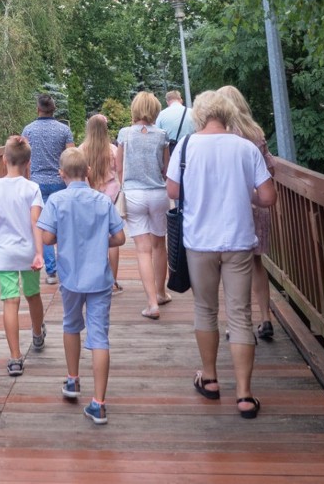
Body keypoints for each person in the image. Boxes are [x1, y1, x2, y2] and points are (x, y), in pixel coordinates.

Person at [166, 90, 277, 419]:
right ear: (228, 114)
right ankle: (244, 395)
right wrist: (245, 194)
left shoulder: (186, 146)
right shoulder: (246, 148)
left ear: (200, 115)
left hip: (199, 241)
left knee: (205, 309)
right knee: (240, 315)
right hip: (238, 240)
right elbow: (268, 197)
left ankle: (210, 378)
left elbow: (173, 190)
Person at [37, 147, 125, 424]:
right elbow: (120, 238)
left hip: (71, 277)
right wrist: (100, 241)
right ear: (87, 171)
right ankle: (99, 403)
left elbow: (48, 238)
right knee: (99, 337)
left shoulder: (56, 201)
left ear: (61, 173)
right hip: (99, 277)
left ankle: (73, 380)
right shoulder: (102, 201)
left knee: (71, 325)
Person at [0, 135, 46, 376]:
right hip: (28, 252)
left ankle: (15, 357)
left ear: (3, 160)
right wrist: (40, 253)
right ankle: (38, 334)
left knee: (10, 301)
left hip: (5, 253)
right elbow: (36, 223)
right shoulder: (32, 188)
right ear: (28, 162)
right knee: (32, 295)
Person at [219, 85, 277, 341]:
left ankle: (239, 323)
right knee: (256, 263)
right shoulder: (256, 133)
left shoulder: (226, 135)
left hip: (235, 207)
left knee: (233, 265)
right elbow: (271, 169)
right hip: (258, 206)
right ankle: (266, 318)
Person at [116, 91, 172, 318]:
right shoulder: (162, 135)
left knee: (142, 249)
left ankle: (152, 304)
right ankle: (161, 292)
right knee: (160, 245)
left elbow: (119, 168)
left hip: (134, 194)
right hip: (158, 194)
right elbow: (166, 170)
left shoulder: (124, 134)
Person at [22, 92, 74, 284]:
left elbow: (24, 158)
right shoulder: (64, 130)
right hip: (60, 181)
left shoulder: (28, 131)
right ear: (54, 109)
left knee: (42, 225)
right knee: (63, 223)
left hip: (37, 183)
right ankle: (66, 266)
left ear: (38, 109)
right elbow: (70, 156)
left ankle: (51, 271)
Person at [80, 114, 123, 293]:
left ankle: (92, 278)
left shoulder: (81, 149)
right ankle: (112, 281)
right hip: (111, 198)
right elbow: (119, 170)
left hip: (89, 197)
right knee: (111, 237)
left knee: (91, 237)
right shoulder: (112, 149)